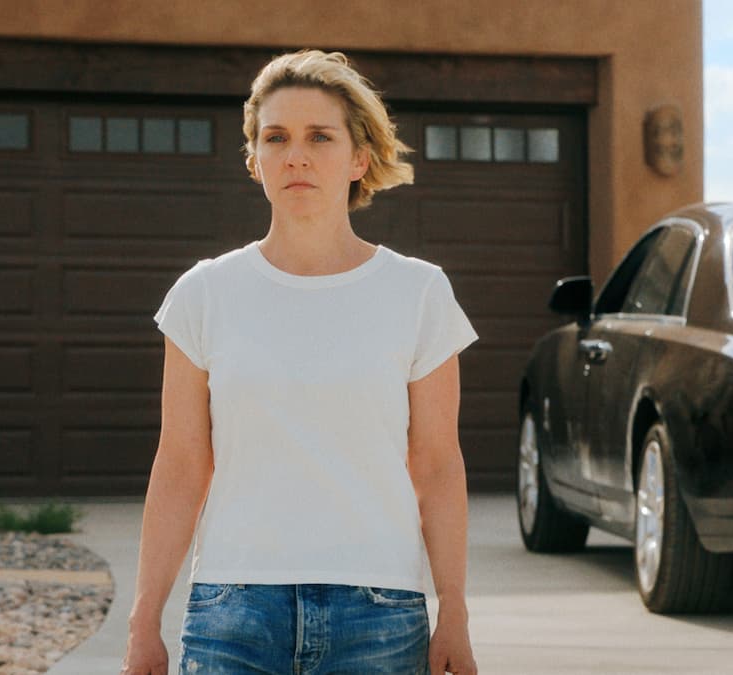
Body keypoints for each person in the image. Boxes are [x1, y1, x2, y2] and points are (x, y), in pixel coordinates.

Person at [122, 49, 479, 675]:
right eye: (276, 137)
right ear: (254, 160)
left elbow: (438, 465)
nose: (297, 155)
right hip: (231, 612)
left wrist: (454, 609)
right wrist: (144, 618)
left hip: (379, 609)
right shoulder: (204, 294)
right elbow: (181, 463)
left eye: (320, 136)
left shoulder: (419, 292)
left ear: (359, 157)